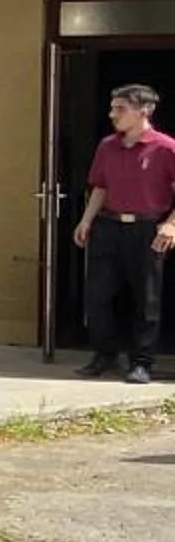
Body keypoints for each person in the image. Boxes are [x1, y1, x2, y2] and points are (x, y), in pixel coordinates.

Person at [71, 82, 175, 379]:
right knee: (98, 295)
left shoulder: (166, 148)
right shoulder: (107, 146)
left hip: (147, 228)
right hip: (109, 225)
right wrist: (86, 220)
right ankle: (104, 355)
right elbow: (100, 187)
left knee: (146, 298)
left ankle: (141, 361)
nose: (113, 114)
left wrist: (171, 224)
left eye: (121, 108)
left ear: (144, 110)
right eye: (112, 107)